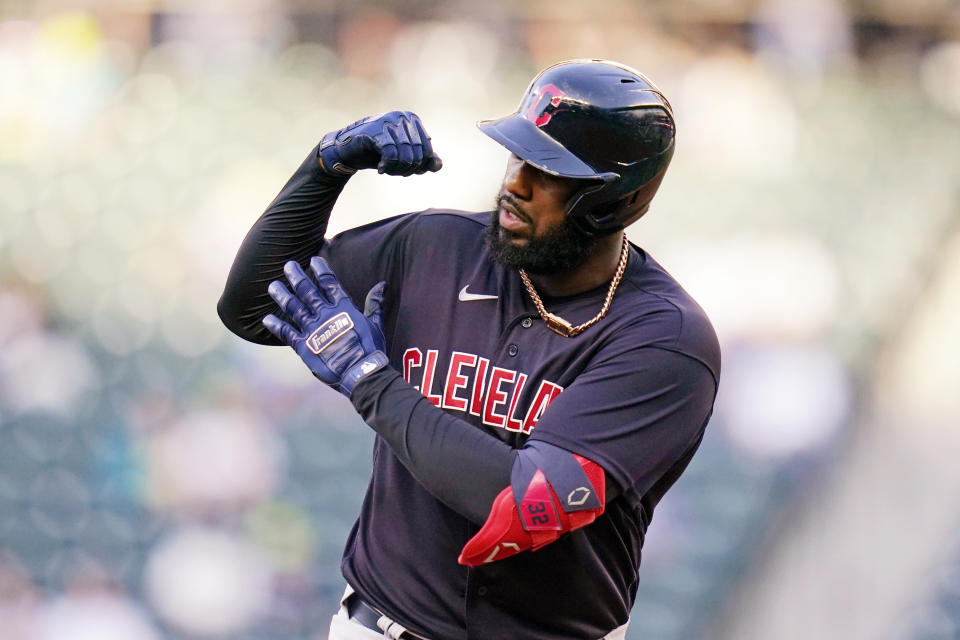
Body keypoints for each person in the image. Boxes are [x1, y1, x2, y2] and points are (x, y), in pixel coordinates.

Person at [218, 59, 720, 640]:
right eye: (518, 155)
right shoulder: (436, 246)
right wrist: (326, 167)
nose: (515, 183)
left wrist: (368, 381)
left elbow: (523, 506)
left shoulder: (663, 338)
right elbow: (254, 307)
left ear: (614, 201)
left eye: (548, 171)